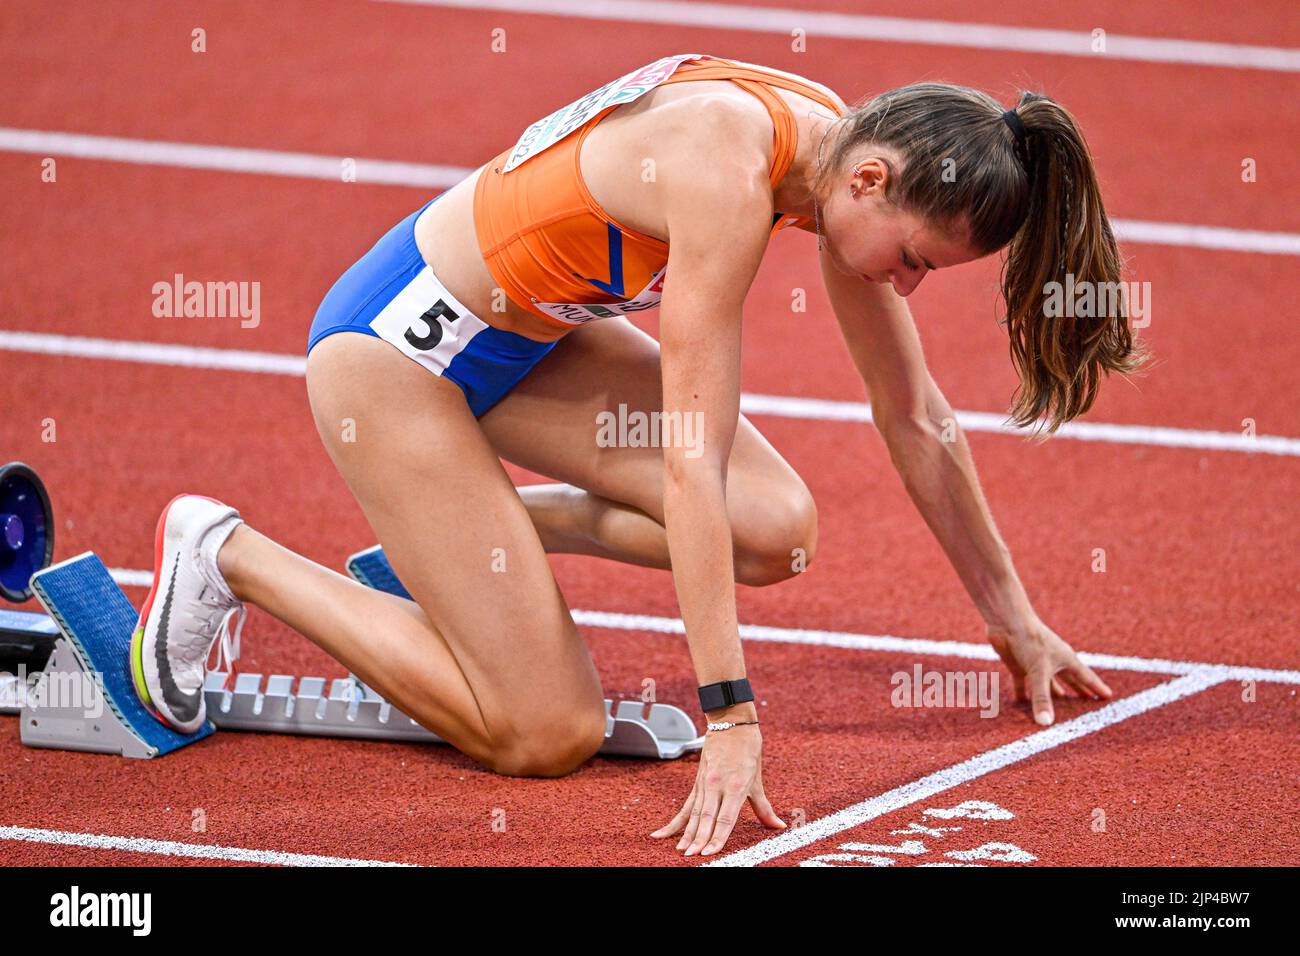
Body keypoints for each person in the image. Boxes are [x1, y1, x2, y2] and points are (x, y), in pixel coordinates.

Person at [129, 54, 1142, 858]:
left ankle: (495, 535)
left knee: (776, 532)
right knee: (541, 733)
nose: (907, 289)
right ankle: (227, 552)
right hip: (394, 357)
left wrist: (1015, 622)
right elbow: (687, 466)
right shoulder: (724, 169)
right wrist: (730, 713)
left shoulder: (833, 147)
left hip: (527, 343)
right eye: (915, 261)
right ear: (871, 178)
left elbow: (915, 415)